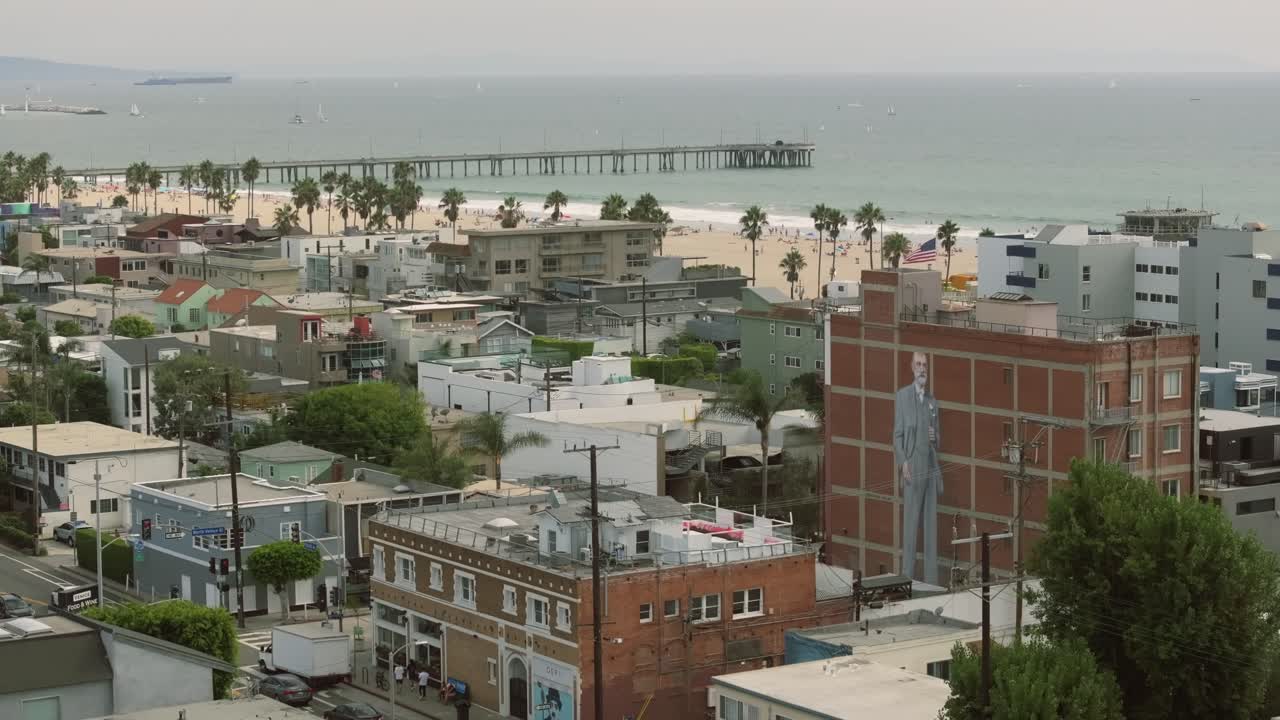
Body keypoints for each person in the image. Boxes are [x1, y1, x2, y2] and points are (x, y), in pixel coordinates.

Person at [893, 351, 942, 585]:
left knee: (930, 526)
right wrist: (903, 462)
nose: (922, 369)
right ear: (912, 368)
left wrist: (935, 436)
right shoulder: (902, 397)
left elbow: (938, 439)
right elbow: (897, 435)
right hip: (912, 466)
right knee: (911, 525)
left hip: (930, 467)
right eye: (919, 365)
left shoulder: (933, 402)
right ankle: (907, 578)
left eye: (925, 366)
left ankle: (931, 581)